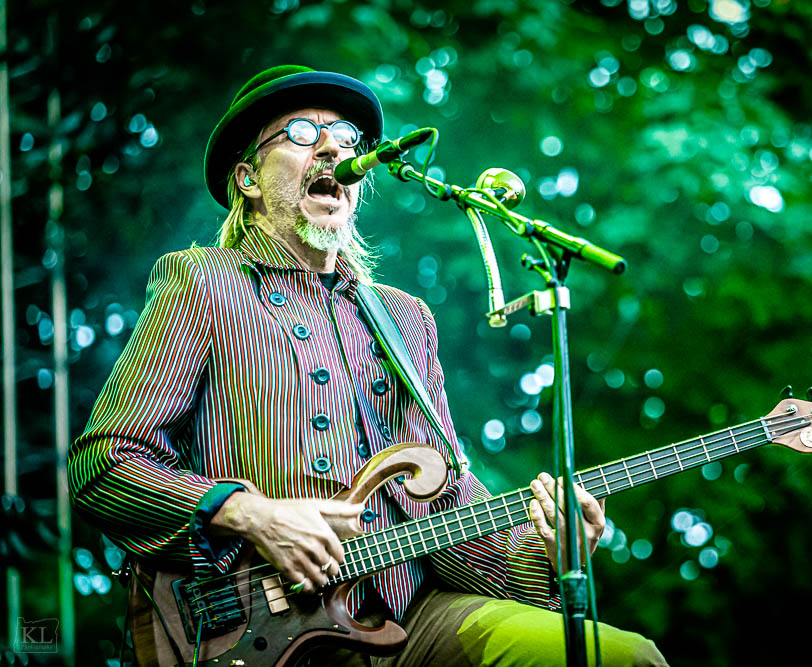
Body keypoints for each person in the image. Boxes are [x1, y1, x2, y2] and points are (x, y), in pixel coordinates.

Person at [69, 65, 666, 666]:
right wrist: (250, 513)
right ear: (248, 178)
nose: (334, 148)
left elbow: (447, 502)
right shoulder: (201, 280)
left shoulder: (406, 318)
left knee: (620, 658)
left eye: (348, 138)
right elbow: (102, 463)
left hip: (413, 620)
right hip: (257, 629)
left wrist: (553, 551)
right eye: (302, 133)